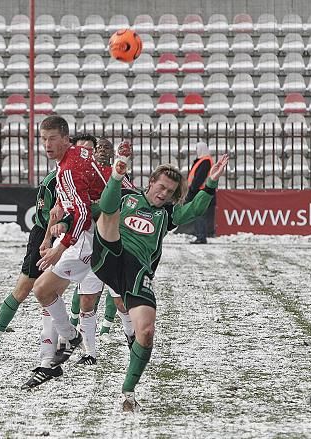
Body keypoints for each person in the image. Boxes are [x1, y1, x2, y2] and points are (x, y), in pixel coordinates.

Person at [90, 144, 229, 411]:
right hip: (109, 254)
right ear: (151, 181)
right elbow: (104, 207)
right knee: (110, 214)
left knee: (146, 331)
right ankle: (118, 169)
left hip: (137, 271)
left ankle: (128, 394)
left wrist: (211, 182)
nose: (163, 194)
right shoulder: (128, 197)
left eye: (170, 192)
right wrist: (117, 177)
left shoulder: (167, 214)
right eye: (161, 187)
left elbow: (195, 210)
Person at [21, 116, 112, 389]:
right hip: (92, 232)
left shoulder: (68, 167)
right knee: (48, 294)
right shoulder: (74, 157)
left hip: (90, 237)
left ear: (65, 139)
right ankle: (49, 361)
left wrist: (60, 247)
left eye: (52, 139)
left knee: (42, 291)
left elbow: (83, 212)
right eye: (43, 138)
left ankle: (70, 339)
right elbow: (77, 194)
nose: (46, 144)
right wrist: (55, 222)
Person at [0, 133, 59, 355]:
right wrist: (54, 233)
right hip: (46, 236)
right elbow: (46, 215)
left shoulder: (85, 180)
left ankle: (70, 341)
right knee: (25, 287)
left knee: (72, 290)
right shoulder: (51, 181)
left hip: (72, 239)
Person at [68, 137, 135, 365]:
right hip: (90, 247)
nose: (102, 152)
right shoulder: (84, 175)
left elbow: (133, 198)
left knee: (121, 302)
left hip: (114, 247)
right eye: (99, 148)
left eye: (107, 148)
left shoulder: (118, 176)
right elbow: (81, 206)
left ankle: (131, 338)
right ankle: (90, 353)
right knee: (87, 301)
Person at [187, 141, 214, 244]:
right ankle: (199, 235)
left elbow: (199, 178)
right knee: (198, 213)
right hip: (200, 190)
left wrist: (193, 188)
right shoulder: (202, 160)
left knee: (200, 214)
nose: (196, 150)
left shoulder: (205, 161)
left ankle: (201, 236)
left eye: (197, 148)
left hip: (201, 191)